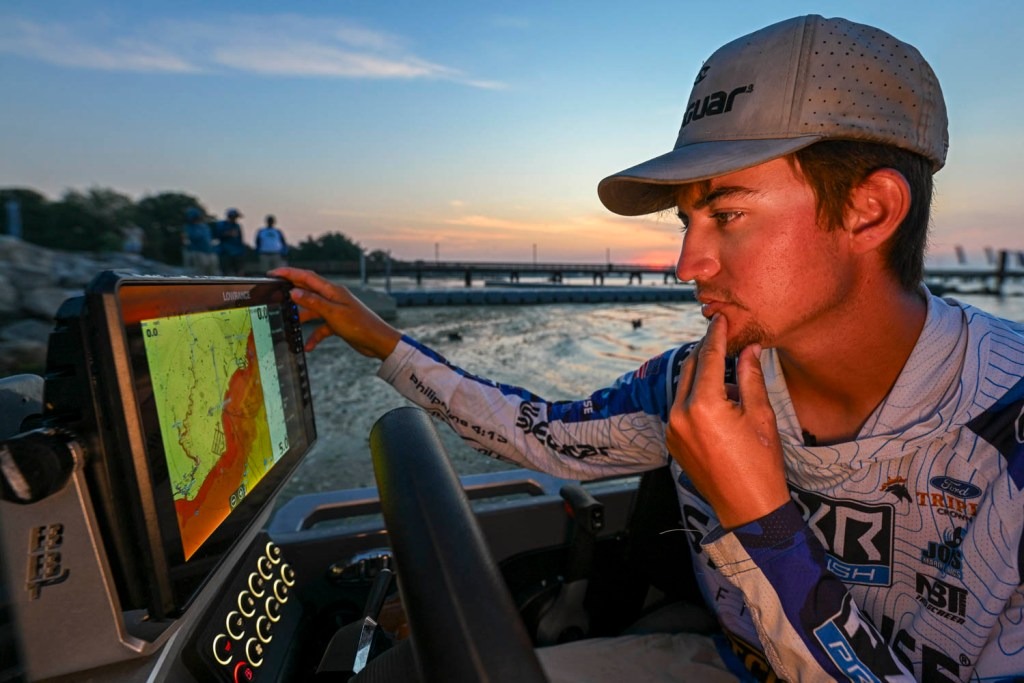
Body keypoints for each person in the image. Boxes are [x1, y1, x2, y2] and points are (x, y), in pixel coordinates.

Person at [271, 14, 1023, 682]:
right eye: (687, 222)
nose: (686, 265)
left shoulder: (1007, 431)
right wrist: (383, 342)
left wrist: (762, 523)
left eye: (727, 214)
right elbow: (545, 434)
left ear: (871, 209)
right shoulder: (699, 384)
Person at [182, 207, 220, 275]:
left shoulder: (205, 226)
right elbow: (187, 240)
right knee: (200, 272)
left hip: (210, 251)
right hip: (198, 251)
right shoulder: (189, 227)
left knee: (212, 272)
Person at [214, 207, 246, 275]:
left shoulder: (237, 226)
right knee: (225, 271)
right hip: (225, 252)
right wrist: (228, 234)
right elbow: (217, 235)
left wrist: (242, 251)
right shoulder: (221, 224)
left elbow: (240, 240)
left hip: (237, 253)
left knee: (238, 271)